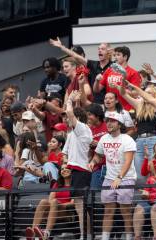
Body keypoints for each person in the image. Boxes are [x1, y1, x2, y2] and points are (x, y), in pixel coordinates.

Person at [89, 111, 137, 240]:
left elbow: (128, 161)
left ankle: (128, 237)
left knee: (125, 212)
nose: (109, 123)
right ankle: (105, 238)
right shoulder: (104, 138)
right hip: (109, 179)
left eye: (112, 121)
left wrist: (119, 178)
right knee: (108, 212)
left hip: (125, 178)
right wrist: (93, 162)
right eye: (107, 121)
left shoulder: (127, 139)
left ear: (120, 124)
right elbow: (98, 155)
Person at [113, 84, 156, 182]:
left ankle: (154, 194)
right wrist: (119, 86)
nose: (144, 95)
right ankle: (144, 194)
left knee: (154, 171)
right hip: (139, 141)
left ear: (154, 95)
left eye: (148, 93)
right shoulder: (139, 105)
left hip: (153, 140)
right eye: (144, 92)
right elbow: (124, 94)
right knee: (139, 175)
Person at [61, 92, 93, 240]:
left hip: (81, 171)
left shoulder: (83, 129)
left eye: (70, 117)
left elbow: (68, 111)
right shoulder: (72, 133)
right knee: (79, 206)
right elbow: (65, 153)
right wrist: (64, 164)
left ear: (77, 119)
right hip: (74, 171)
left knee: (80, 207)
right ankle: (85, 234)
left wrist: (70, 100)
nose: (68, 119)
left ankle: (84, 236)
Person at [50, 38, 112, 103]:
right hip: (96, 103)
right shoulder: (93, 64)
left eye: (102, 49)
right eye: (98, 49)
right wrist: (61, 46)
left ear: (108, 52)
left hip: (111, 101)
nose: (99, 51)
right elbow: (75, 56)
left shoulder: (113, 66)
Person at [25, 164, 73, 240]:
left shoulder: (75, 184)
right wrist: (54, 205)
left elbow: (73, 202)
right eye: (62, 169)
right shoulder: (57, 184)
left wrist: (58, 204)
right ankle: (33, 232)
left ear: (72, 171)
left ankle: (46, 233)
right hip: (53, 209)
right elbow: (50, 199)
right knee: (43, 201)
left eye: (66, 168)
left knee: (54, 202)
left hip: (67, 211)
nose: (64, 170)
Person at [93, 46, 141, 111]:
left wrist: (119, 88)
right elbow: (96, 90)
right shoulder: (109, 70)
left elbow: (136, 94)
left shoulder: (133, 73)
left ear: (125, 57)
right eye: (115, 55)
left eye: (118, 55)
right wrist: (96, 80)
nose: (115, 57)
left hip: (126, 109)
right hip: (111, 109)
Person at [86, 104, 107, 188]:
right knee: (94, 194)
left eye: (90, 115)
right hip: (97, 167)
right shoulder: (88, 131)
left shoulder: (108, 126)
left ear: (98, 116)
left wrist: (99, 145)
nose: (88, 117)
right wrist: (91, 148)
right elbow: (89, 155)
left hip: (112, 167)